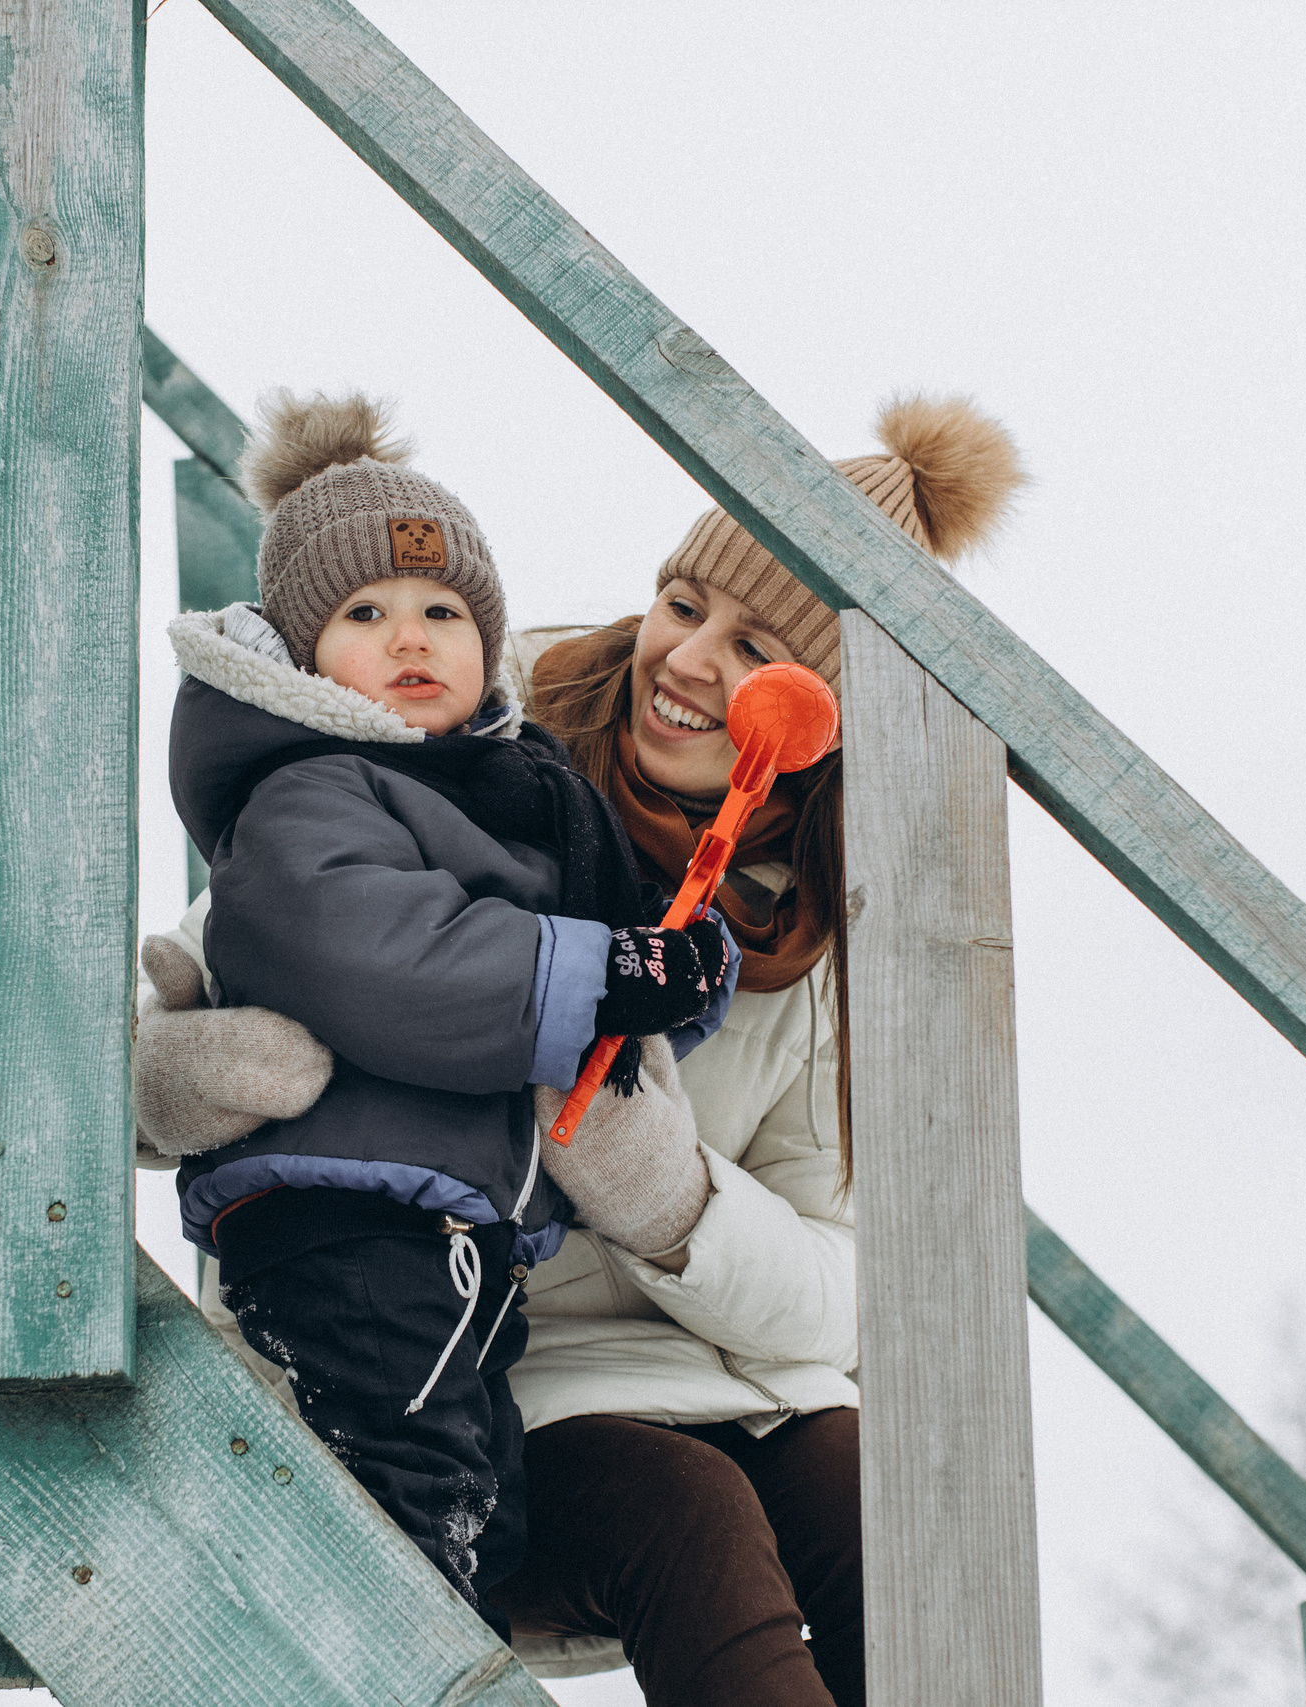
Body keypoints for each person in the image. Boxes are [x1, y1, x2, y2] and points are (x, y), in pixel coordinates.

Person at [140, 391, 1025, 1706]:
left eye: (757, 647)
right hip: (505, 1381)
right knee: (692, 1511)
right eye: (685, 603)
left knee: (897, 1521)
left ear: (826, 710)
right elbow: (301, 920)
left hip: (754, 1377)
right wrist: (154, 1076)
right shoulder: (493, 760)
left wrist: (676, 1201)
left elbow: (852, 1292)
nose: (689, 658)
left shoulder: (837, 927)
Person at [153, 390, 737, 1632]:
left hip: (450, 1230)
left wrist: (677, 967)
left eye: (443, 614)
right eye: (365, 615)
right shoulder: (307, 790)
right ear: (304, 654)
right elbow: (379, 958)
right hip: (348, 1219)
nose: (409, 638)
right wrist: (596, 974)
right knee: (420, 1513)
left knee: (480, 1513)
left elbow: (595, 937)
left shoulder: (500, 793)